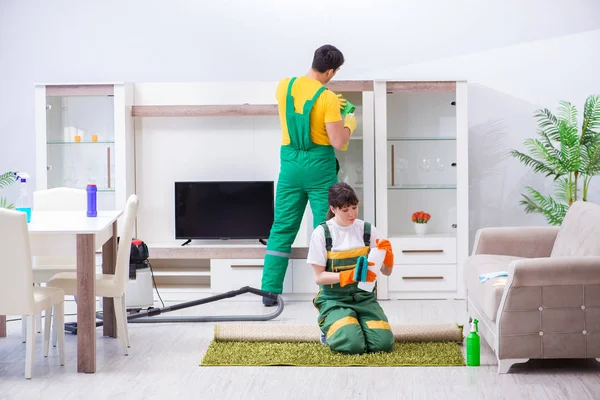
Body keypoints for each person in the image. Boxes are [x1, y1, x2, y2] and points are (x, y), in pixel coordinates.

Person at [260, 44, 358, 306]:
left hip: (290, 167)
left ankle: (269, 292)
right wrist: (348, 120)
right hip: (319, 169)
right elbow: (338, 142)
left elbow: (300, 105)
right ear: (330, 71)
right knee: (325, 228)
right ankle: (329, 290)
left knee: (282, 226)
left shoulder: (284, 86)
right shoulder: (327, 99)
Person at [307, 182, 395, 354]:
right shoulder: (322, 233)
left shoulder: (367, 230)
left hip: (364, 298)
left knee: (383, 345)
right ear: (333, 209)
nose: (352, 214)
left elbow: (385, 272)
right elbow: (319, 277)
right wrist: (347, 276)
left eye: (354, 208)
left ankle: (357, 324)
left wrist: (389, 259)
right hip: (334, 299)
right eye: (345, 210)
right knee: (352, 345)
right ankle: (329, 329)